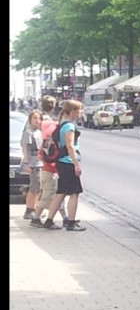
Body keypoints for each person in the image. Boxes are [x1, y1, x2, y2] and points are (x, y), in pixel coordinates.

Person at [40, 99, 86, 231]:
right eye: (79, 110)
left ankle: (49, 220)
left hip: (61, 162)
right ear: (73, 111)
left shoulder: (62, 125)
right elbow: (70, 146)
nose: (81, 112)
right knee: (74, 193)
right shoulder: (69, 127)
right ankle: (71, 222)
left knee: (61, 193)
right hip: (68, 162)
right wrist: (76, 164)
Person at [30, 95, 67, 227]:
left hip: (47, 164)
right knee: (49, 193)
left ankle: (66, 218)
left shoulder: (42, 120)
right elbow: (48, 145)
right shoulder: (49, 123)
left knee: (56, 193)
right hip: (49, 165)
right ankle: (36, 217)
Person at [20, 109, 43, 221]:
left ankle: (35, 208)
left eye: (39, 118)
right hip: (32, 163)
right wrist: (26, 163)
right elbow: (25, 150)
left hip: (40, 162)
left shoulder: (39, 132)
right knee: (34, 187)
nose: (37, 120)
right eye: (35, 118)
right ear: (30, 120)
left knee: (38, 187)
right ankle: (29, 209)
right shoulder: (28, 133)